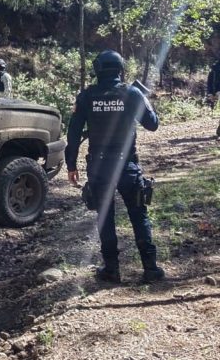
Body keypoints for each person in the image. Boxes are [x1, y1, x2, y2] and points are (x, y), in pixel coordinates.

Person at [66, 50, 163, 283]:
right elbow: (153, 124)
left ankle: (111, 269)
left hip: (99, 168)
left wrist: (71, 165)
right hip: (127, 165)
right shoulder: (132, 93)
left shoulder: (86, 96)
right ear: (121, 68)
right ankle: (150, 269)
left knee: (105, 217)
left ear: (97, 69)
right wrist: (144, 99)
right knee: (139, 215)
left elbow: (73, 133)